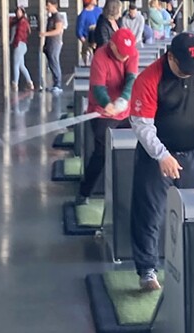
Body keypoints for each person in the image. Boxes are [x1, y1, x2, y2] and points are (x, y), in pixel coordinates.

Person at [128, 33, 194, 291]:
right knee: (150, 213)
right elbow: (142, 125)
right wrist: (162, 155)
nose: (190, 73)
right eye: (184, 69)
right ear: (171, 57)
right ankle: (147, 270)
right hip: (156, 157)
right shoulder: (150, 79)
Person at [76, 28, 139, 205]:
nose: (126, 56)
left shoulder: (131, 53)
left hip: (125, 111)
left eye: (128, 53)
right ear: (112, 45)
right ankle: (84, 193)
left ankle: (129, 196)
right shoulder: (100, 57)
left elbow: (131, 79)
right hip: (101, 112)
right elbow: (98, 88)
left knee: (132, 150)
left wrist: (123, 100)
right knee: (101, 154)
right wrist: (108, 104)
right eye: (122, 53)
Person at [40, 0, 65, 94]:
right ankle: (55, 83)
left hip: (55, 43)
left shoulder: (57, 17)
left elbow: (58, 30)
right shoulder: (51, 17)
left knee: (55, 62)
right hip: (50, 43)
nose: (47, 7)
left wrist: (44, 34)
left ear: (53, 5)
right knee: (51, 63)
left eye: (48, 5)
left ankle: (58, 84)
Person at [10, 6, 34, 91]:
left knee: (16, 65)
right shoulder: (24, 22)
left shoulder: (21, 23)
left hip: (19, 45)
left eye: (19, 12)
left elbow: (19, 35)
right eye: (17, 12)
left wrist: (15, 44)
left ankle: (15, 84)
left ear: (23, 13)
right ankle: (30, 83)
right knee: (21, 66)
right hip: (23, 45)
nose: (17, 13)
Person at [76, 0, 102, 65]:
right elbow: (79, 31)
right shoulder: (83, 14)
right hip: (88, 40)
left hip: (99, 38)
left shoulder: (99, 11)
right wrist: (85, 43)